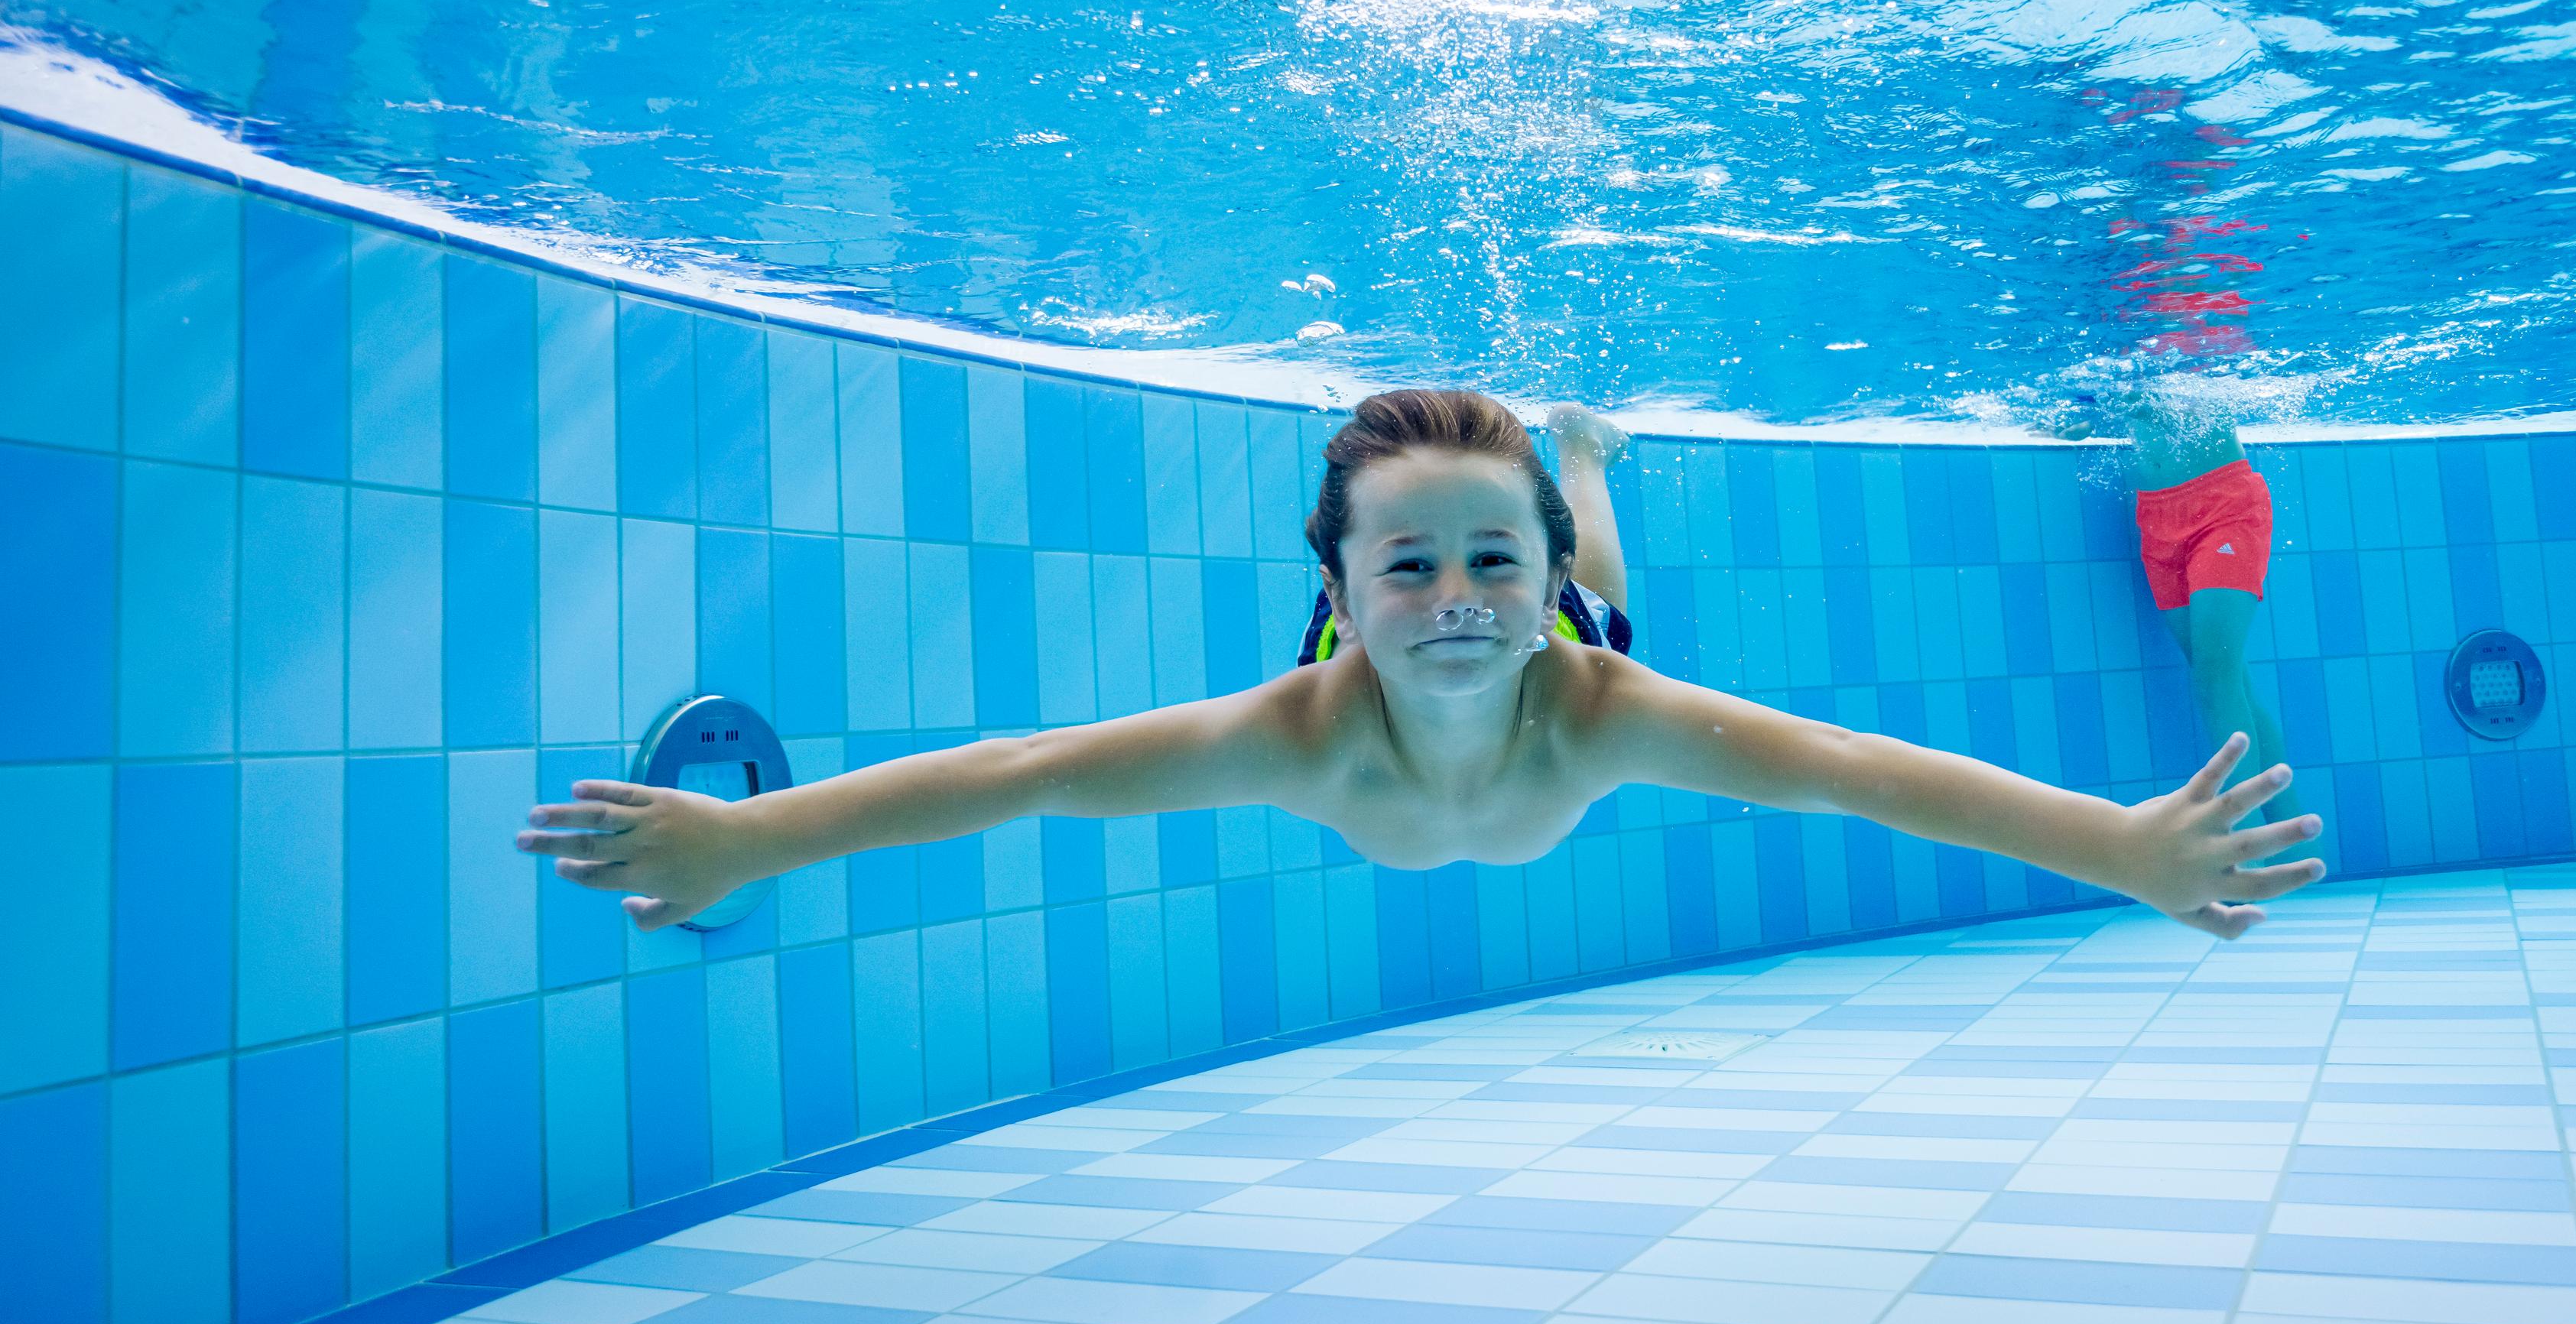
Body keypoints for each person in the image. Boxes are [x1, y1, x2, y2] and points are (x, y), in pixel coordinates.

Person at [523, 389, 2322, 939]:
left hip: (1572, 667)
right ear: (1339, 582)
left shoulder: (1585, 680)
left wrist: (2120, 845)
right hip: (1379, 702)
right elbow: (1023, 771)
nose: (1456, 592)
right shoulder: (1301, 730)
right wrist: (746, 839)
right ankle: (1555, 481)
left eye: (1487, 558)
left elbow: (1863, 769)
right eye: (1409, 562)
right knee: (1548, 599)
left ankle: (1589, 474)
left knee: (1616, 603)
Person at [2064, 383, 2296, 826]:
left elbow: (2184, 395)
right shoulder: (2108, 339)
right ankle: (2291, 832)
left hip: (2222, 503)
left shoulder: (2186, 328)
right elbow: (2099, 417)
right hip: (2156, 517)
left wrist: (2115, 398)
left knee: (2215, 675)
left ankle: (2241, 852)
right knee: (2227, 678)